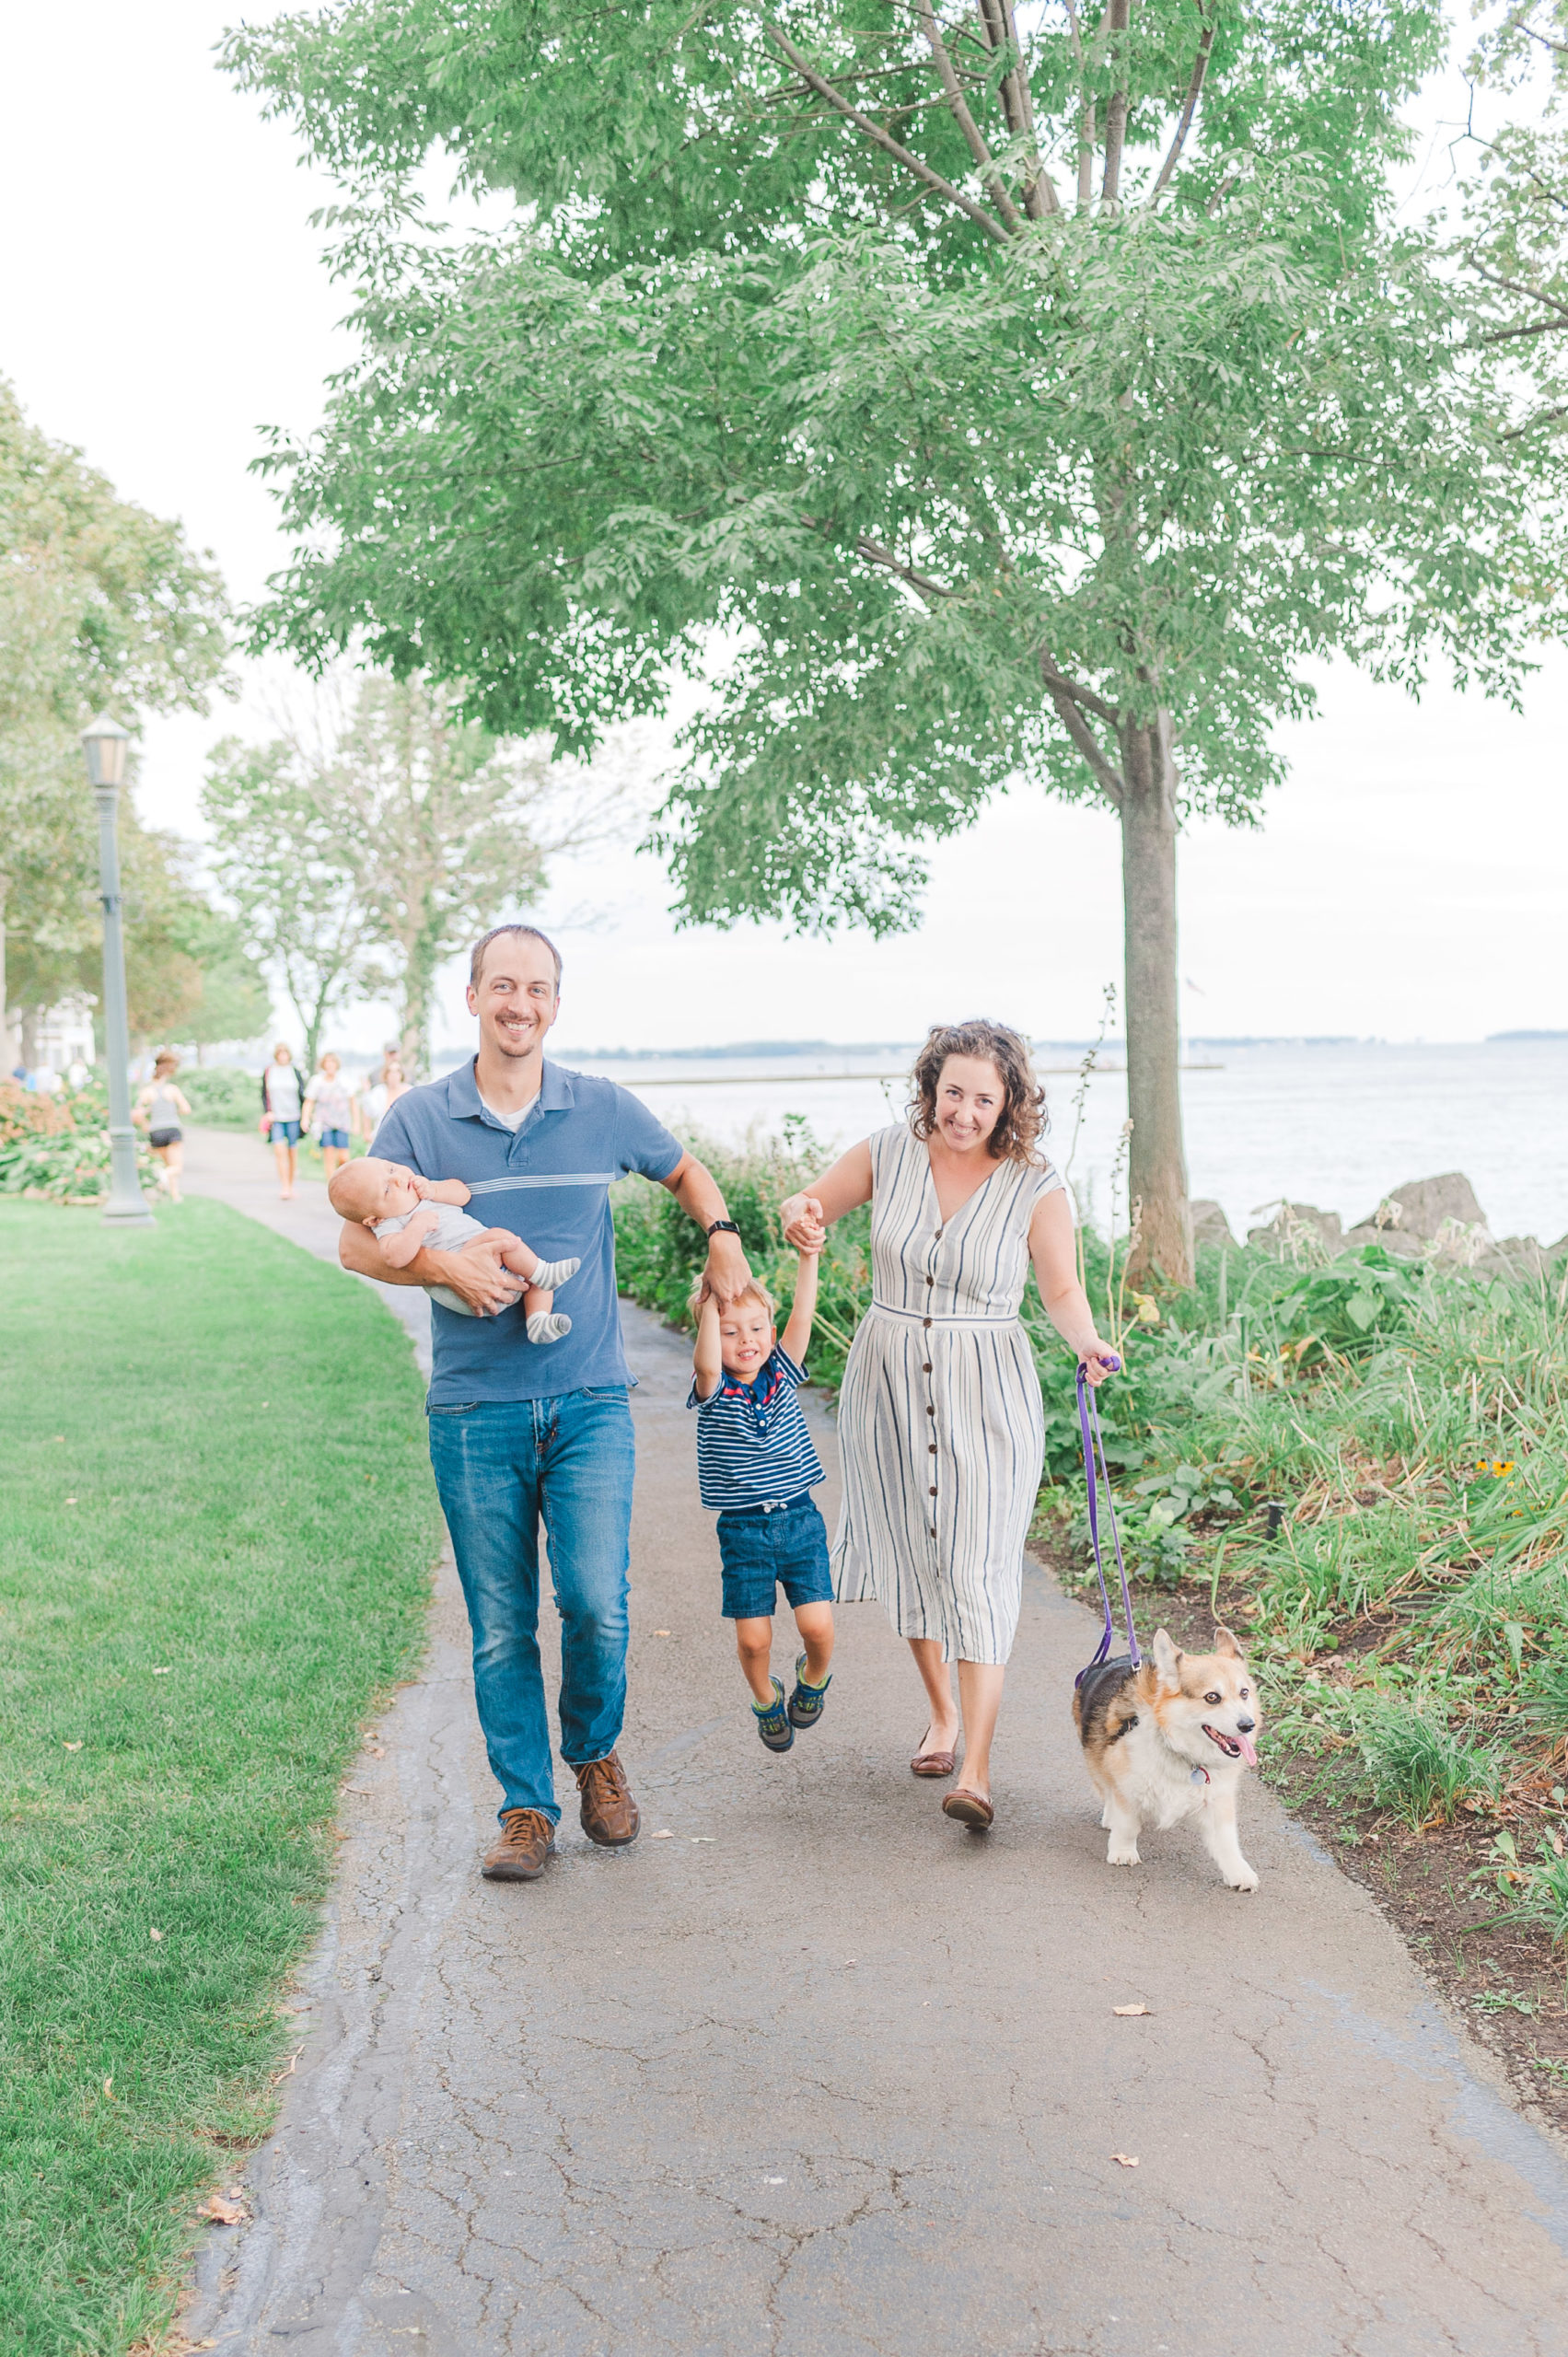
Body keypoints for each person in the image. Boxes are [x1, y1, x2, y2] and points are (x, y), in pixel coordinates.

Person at [335, 922, 755, 1884]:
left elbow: (685, 1170)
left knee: (596, 1603)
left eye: (536, 989)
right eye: (501, 986)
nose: (518, 1004)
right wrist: (439, 1260)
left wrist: (722, 1236)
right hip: (474, 1411)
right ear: (474, 997)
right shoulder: (419, 1118)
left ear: (554, 1005)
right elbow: (358, 1241)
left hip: (588, 1400)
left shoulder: (599, 1107)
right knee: (498, 1621)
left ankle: (596, 1754)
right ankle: (525, 1808)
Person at [780, 1019, 1118, 1833]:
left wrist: (1087, 1341)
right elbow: (808, 1206)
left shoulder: (1036, 1184)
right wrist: (797, 1216)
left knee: (976, 1568)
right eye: (951, 1092)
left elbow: (1061, 1291)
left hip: (986, 1393)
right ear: (930, 1087)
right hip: (886, 1385)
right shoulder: (886, 1152)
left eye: (983, 1097)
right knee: (912, 1555)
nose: (963, 1111)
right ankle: (941, 1714)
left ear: (1010, 1104)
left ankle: (976, 1770)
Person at [689, 1248, 835, 1754]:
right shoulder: (712, 1388)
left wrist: (807, 1259)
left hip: (799, 1520)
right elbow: (706, 1363)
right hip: (744, 1532)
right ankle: (765, 1697)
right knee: (754, 1640)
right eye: (731, 1332)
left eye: (755, 1328)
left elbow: (802, 1315)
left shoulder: (781, 1373)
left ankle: (813, 1678)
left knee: (817, 1627)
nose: (746, 1340)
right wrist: (712, 1300)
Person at [330, 1155, 580, 1342]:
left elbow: (463, 1194)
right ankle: (543, 1272)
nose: (397, 1179)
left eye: (392, 1168)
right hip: (462, 1283)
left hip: (495, 1268)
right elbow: (394, 1257)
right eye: (386, 1189)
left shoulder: (420, 1191)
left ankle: (537, 1321)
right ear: (373, 1219)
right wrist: (416, 1228)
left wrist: (435, 1188)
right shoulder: (390, 1224)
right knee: (503, 1239)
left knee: (533, 1278)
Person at [134, 1051, 192, 1202]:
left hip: (156, 1131)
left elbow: (137, 1115)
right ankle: (164, 1177)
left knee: (166, 1164)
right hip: (172, 1129)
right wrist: (173, 1111)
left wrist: (147, 1124)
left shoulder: (146, 1092)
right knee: (176, 1167)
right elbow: (186, 1109)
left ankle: (175, 1195)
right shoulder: (172, 1090)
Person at [302, 1051, 355, 1182]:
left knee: (344, 1157)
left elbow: (353, 1102)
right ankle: (331, 1183)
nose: (330, 1065)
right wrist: (305, 1119)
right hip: (324, 1122)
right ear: (323, 1064)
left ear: (337, 1064)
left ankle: (342, 1179)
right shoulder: (317, 1081)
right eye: (327, 1062)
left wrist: (356, 1123)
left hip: (342, 1122)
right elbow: (309, 1101)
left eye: (332, 1062)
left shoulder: (344, 1081)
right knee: (329, 1154)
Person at [260, 1043, 303, 1198]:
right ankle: (284, 1186)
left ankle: (291, 1185)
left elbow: (302, 1094)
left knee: (292, 1151)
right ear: (276, 1055)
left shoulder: (295, 1072)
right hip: (276, 1117)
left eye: (285, 1053)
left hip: (294, 1117)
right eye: (280, 1054)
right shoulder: (269, 1071)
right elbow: (264, 1094)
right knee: (279, 1151)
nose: (283, 1056)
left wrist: (305, 1118)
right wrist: (267, 1112)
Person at [356, 1051, 407, 1145]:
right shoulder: (379, 1091)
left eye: (397, 1072)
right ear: (386, 1075)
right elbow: (369, 1111)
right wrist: (366, 1091)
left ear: (401, 1074)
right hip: (381, 1136)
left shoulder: (409, 1091)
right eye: (391, 1072)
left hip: (403, 1138)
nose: (394, 1075)